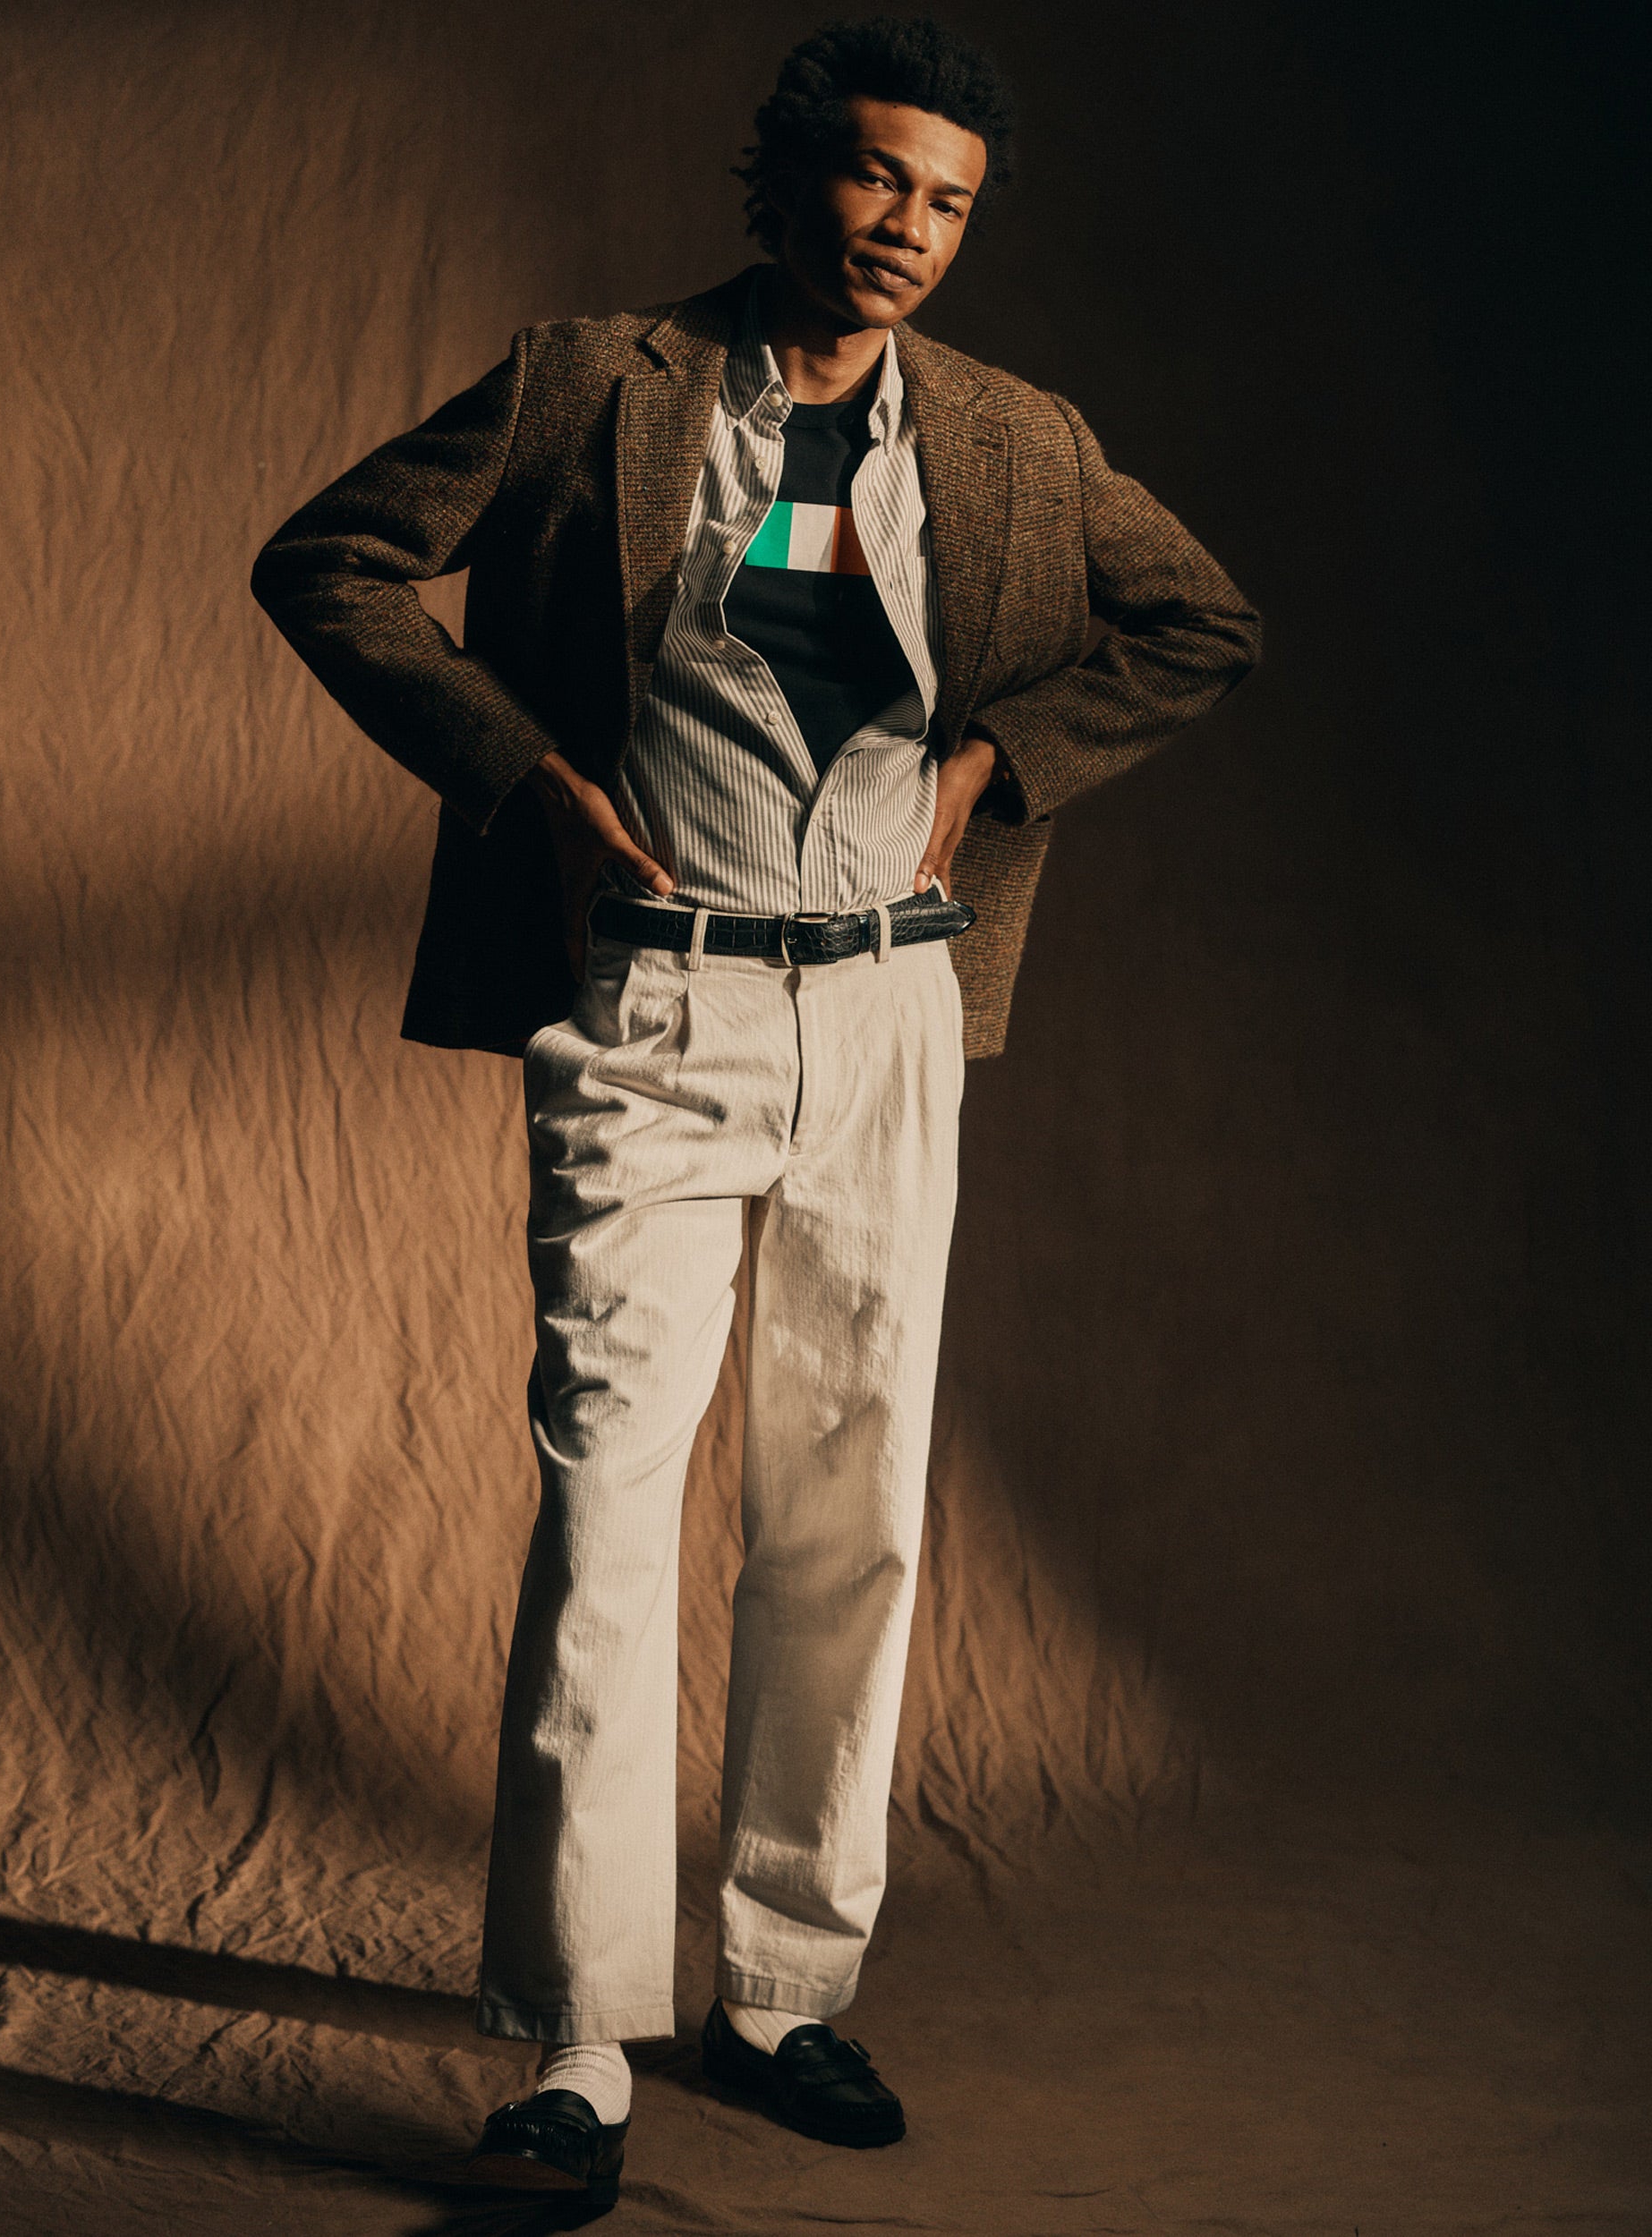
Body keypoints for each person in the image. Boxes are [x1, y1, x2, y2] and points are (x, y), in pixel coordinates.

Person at [251, 15, 1260, 2214]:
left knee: (852, 1500)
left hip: (891, 1015)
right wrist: (526, 779)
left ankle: (784, 1990)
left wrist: (999, 759)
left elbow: (1201, 622)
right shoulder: (586, 384)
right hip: (657, 1006)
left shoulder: (1008, 438)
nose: (909, 229)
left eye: (950, 201)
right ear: (788, 170)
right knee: (608, 1500)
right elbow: (325, 561)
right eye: (879, 176)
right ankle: (574, 2040)